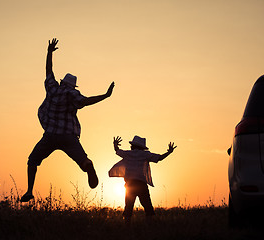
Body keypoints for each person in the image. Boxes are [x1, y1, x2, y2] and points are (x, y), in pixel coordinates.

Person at [21, 38, 115, 202]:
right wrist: (105, 96)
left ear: (61, 82)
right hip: (69, 137)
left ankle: (29, 190)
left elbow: (48, 70)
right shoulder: (73, 94)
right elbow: (86, 101)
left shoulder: (52, 88)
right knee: (82, 160)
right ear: (72, 86)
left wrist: (49, 52)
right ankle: (88, 165)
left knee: (33, 160)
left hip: (50, 136)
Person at [109, 135, 176, 224]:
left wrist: (115, 144)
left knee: (128, 206)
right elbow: (159, 158)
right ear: (142, 147)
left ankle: (127, 226)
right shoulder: (145, 154)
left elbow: (117, 151)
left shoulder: (128, 154)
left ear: (133, 146)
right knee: (147, 206)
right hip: (141, 184)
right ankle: (149, 225)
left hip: (130, 185)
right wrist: (169, 152)